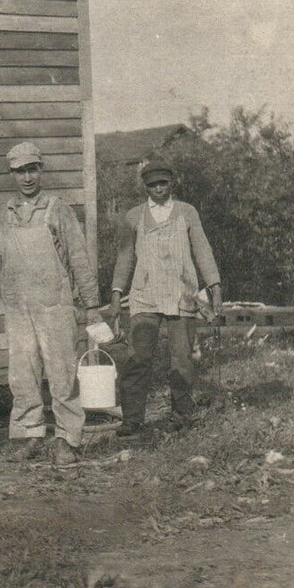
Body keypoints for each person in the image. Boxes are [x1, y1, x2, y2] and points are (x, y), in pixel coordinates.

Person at [0, 142, 105, 467]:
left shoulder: (58, 210)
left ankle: (68, 440)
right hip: (18, 308)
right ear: (12, 174)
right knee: (22, 374)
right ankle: (30, 436)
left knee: (62, 374)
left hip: (55, 306)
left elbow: (79, 259)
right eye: (20, 171)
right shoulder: (1, 216)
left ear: (41, 170)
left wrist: (92, 304)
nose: (27, 177)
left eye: (32, 169)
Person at [109, 157, 222, 436]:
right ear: (145, 187)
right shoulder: (133, 217)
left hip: (182, 294)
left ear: (172, 183)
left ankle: (181, 414)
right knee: (138, 357)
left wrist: (214, 287)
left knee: (181, 358)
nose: (158, 189)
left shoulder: (187, 212)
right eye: (152, 185)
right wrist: (116, 293)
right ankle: (133, 419)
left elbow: (202, 250)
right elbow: (124, 257)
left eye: (163, 183)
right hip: (144, 295)